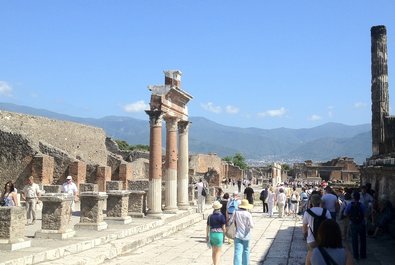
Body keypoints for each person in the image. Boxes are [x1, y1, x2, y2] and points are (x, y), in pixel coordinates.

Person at [303, 194, 332, 265]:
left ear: (311, 202)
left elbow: (304, 226)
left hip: (311, 238)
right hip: (324, 238)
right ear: (320, 202)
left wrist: (305, 234)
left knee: (311, 257)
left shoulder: (307, 212)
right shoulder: (326, 211)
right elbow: (331, 225)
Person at [345, 191, 367, 260]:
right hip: (361, 223)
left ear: (353, 197)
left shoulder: (350, 205)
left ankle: (355, 255)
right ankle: (363, 255)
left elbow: (345, 213)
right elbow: (365, 214)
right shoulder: (362, 205)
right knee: (362, 240)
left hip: (353, 223)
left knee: (354, 240)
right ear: (359, 197)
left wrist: (350, 217)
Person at [233, 199, 254, 265]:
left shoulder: (236, 212)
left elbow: (233, 222)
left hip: (237, 234)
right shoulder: (248, 214)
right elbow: (251, 225)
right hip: (246, 234)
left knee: (237, 251)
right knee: (246, 250)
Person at [206, 201, 226, 265]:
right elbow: (224, 228)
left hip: (212, 234)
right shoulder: (221, 216)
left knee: (214, 251)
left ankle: (214, 263)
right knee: (218, 252)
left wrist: (207, 236)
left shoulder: (210, 216)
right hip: (219, 235)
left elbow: (207, 227)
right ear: (219, 208)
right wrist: (224, 235)